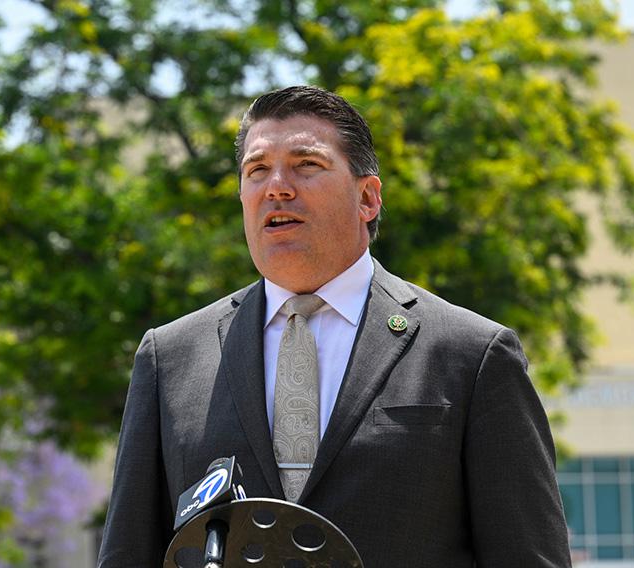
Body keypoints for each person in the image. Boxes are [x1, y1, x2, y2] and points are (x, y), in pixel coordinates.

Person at [97, 85, 571, 567]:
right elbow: (127, 553)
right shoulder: (170, 357)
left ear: (367, 198)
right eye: (257, 170)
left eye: (306, 164)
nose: (277, 186)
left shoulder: (471, 354)